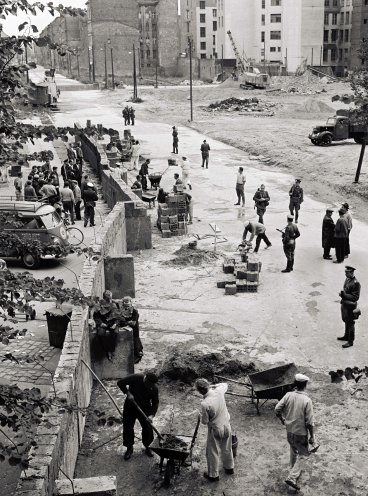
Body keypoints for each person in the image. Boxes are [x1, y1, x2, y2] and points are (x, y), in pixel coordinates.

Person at [275, 373, 315, 492]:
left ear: (296, 384)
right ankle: (292, 477)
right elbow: (309, 422)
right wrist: (312, 436)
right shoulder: (307, 400)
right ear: (305, 385)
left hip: (289, 431)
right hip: (300, 433)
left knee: (293, 450)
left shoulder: (288, 395)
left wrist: (282, 419)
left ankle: (293, 469)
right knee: (303, 454)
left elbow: (277, 409)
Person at [195, 378, 234, 482]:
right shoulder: (219, 391)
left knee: (212, 452)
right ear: (208, 385)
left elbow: (205, 421)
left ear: (199, 391)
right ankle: (229, 467)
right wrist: (212, 386)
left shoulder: (205, 403)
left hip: (216, 429)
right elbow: (225, 384)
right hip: (227, 425)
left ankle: (213, 475)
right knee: (227, 447)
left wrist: (200, 415)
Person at [117, 372, 159, 460]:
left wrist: (151, 415)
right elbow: (120, 382)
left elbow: (155, 402)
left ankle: (148, 447)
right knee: (128, 427)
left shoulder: (154, 388)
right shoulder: (137, 377)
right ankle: (129, 448)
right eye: (148, 384)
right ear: (145, 379)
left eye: (151, 385)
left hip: (145, 408)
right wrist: (128, 393)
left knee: (147, 428)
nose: (149, 386)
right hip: (130, 406)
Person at [337, 266, 361, 348]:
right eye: (345, 272)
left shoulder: (356, 283)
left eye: (347, 273)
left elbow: (355, 297)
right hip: (345, 304)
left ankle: (350, 341)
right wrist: (343, 294)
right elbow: (346, 289)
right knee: (346, 320)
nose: (345, 274)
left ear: (351, 273)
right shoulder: (347, 279)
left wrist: (344, 295)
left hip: (350, 305)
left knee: (350, 323)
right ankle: (346, 336)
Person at [120, 296, 143, 363]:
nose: (127, 306)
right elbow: (121, 321)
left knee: (135, 340)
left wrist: (126, 322)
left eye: (128, 303)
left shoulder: (135, 311)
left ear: (131, 303)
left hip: (134, 328)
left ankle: (138, 354)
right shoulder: (122, 311)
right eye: (125, 304)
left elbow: (133, 323)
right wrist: (127, 322)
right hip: (126, 329)